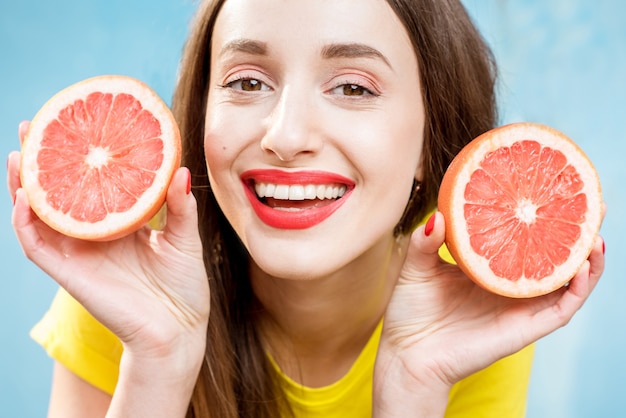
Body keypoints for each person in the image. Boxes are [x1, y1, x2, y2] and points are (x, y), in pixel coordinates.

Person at [7, 0, 605, 417]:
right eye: (246, 82)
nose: (285, 135)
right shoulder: (135, 271)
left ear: (430, 140)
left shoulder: (468, 305)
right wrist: (158, 358)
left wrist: (414, 388)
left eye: (352, 88)